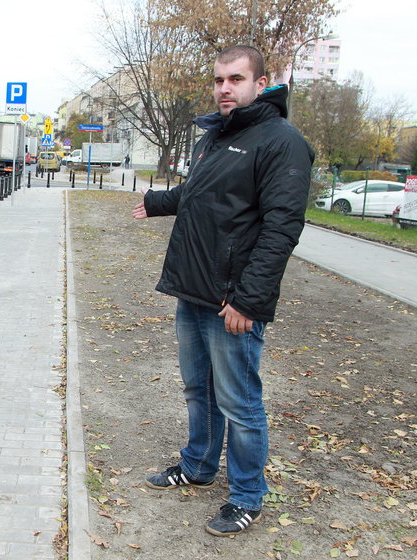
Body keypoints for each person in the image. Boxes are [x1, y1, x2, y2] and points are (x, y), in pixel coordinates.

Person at [131, 45, 314, 537]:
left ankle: (247, 496)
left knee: (240, 402)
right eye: (219, 80)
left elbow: (281, 228)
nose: (225, 89)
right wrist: (158, 201)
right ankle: (197, 466)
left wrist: (249, 300)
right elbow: (202, 194)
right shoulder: (215, 135)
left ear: (261, 82)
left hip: (233, 299)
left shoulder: (281, 141)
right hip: (194, 289)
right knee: (198, 391)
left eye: (235, 79)